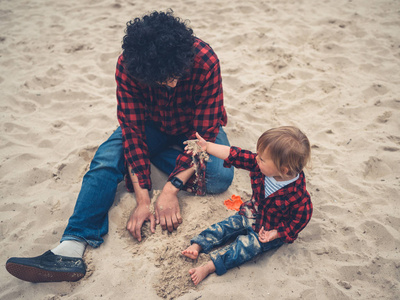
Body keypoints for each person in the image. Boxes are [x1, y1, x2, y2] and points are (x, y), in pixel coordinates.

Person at [5, 10, 234, 283]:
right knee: (106, 158)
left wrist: (171, 189)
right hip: (150, 125)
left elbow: (206, 132)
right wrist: (143, 200)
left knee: (221, 175)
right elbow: (133, 132)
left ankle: (149, 162)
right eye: (163, 79)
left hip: (195, 130)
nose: (172, 82)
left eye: (175, 74)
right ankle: (71, 245)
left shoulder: (204, 60)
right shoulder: (129, 66)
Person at [182, 126, 313, 285]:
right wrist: (208, 146)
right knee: (226, 226)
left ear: (283, 169)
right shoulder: (259, 164)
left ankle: (210, 266)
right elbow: (235, 154)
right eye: (258, 155)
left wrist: (276, 233)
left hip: (268, 230)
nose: (257, 158)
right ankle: (198, 245)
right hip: (252, 212)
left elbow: (298, 222)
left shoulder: (298, 197)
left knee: (244, 248)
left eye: (262, 159)